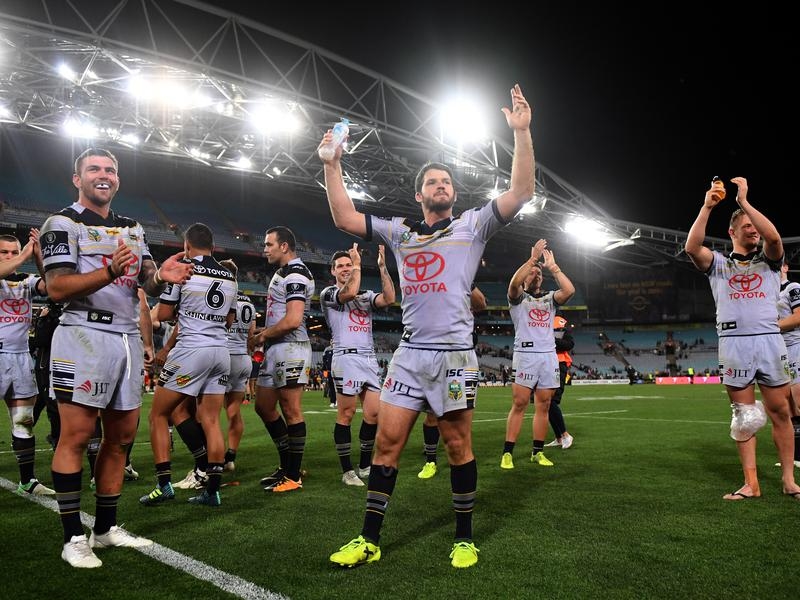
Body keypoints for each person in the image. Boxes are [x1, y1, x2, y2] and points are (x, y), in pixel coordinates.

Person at [321, 83, 534, 568]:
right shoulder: (399, 231)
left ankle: (464, 538)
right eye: (433, 182)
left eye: (446, 182)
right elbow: (345, 217)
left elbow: (522, 191)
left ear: (453, 193)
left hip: (455, 355)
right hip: (410, 355)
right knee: (387, 443)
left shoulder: (473, 225)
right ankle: (369, 539)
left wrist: (521, 133)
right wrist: (332, 164)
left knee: (458, 446)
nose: (441, 186)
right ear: (419, 194)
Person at [41, 147, 193, 568]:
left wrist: (162, 278)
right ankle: (73, 537)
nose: (103, 175)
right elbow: (57, 287)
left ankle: (105, 528)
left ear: (118, 179)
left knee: (122, 437)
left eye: (110, 169)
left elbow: (147, 279)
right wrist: (108, 271)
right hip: (83, 333)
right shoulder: (62, 223)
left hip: (125, 337)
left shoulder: (132, 227)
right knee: (75, 436)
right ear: (78, 179)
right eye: (93, 169)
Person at [685, 176, 800, 501]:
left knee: (781, 413)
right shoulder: (718, 264)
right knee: (744, 416)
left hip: (769, 341)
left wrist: (744, 202)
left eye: (755, 225)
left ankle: (789, 480)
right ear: (732, 232)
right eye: (746, 225)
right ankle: (751, 484)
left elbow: (773, 237)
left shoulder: (769, 261)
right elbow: (691, 248)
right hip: (733, 343)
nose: (753, 230)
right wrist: (707, 206)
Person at [139, 222, 237, 508]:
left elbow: (164, 314)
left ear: (186, 245)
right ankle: (212, 491)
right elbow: (230, 320)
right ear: (213, 246)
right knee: (211, 420)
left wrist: (186, 311)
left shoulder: (184, 270)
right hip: (221, 352)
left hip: (191, 350)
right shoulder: (230, 277)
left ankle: (163, 485)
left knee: (158, 415)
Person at [320, 242, 395, 487]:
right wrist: (358, 266)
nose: (345, 268)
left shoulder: (365, 296)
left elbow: (390, 298)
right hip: (346, 357)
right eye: (340, 266)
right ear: (333, 271)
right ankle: (347, 471)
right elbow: (348, 294)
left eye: (348, 264)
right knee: (347, 413)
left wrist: (382, 267)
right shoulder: (329, 293)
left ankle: (364, 466)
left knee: (373, 413)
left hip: (369, 358)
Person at [500, 239, 575, 470]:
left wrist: (554, 268)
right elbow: (514, 283)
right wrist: (532, 260)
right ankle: (507, 453)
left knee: (544, 406)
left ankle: (537, 452)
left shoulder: (550, 299)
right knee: (520, 404)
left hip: (548, 357)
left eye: (539, 274)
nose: (536, 276)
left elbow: (569, 291)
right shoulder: (518, 298)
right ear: (526, 277)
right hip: (525, 355)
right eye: (532, 273)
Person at [252, 226, 315, 493]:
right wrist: (264, 333)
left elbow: (293, 320)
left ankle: (293, 476)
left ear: (284, 246)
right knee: (264, 407)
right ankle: (288, 465)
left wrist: (262, 335)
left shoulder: (296, 274)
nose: (265, 249)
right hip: (276, 347)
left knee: (291, 410)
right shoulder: (284, 272)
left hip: (291, 348)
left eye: (269, 244)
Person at [0, 230, 55, 496]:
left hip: (21, 356)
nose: (10, 256)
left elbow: (52, 287)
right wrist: (23, 255)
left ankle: (27, 481)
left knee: (24, 421)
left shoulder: (25, 281)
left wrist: (39, 257)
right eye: (4, 252)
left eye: (14, 251)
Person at [418, 284, 487, 480]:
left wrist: (466, 281)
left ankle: (462, 456)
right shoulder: (432, 286)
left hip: (462, 357)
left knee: (461, 416)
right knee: (432, 415)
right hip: (434, 354)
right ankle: (430, 461)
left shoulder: (462, 282)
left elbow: (481, 304)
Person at [219, 258, 256, 472]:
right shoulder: (249, 302)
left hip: (224, 356)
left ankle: (212, 458)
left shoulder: (223, 295)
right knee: (233, 409)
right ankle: (231, 456)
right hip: (243, 358)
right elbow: (251, 336)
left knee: (208, 412)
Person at [776, 259, 800, 469]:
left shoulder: (793, 287)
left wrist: (770, 327)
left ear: (785, 268)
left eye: (779, 265)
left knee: (798, 399)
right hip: (778, 351)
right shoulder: (767, 293)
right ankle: (796, 456)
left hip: (796, 346)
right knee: (788, 406)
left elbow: (798, 317)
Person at [544, 315, 575, 449]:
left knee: (551, 401)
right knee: (545, 403)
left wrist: (550, 340)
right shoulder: (537, 321)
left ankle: (565, 435)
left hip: (557, 364)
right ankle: (559, 438)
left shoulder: (559, 322)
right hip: (542, 364)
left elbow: (569, 344)